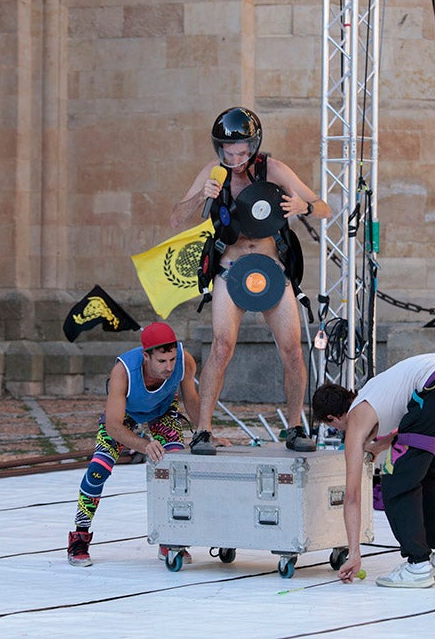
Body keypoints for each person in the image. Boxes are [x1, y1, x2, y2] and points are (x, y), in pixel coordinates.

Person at [170, 106, 331, 455]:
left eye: (242, 151)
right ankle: (203, 431)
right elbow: (176, 218)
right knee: (221, 347)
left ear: (254, 146)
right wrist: (202, 196)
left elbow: (323, 207)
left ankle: (293, 428)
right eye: (229, 152)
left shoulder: (273, 169)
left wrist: (302, 207)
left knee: (292, 350)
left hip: (271, 269)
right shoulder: (213, 173)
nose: (235, 159)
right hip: (230, 271)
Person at [311, 351, 435, 588]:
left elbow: (351, 496)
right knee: (431, 474)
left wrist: (354, 553)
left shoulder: (356, 418)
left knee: (396, 482)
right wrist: (378, 447)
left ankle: (417, 565)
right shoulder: (373, 392)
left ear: (332, 418)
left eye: (334, 427)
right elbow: (411, 425)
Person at [67, 322, 201, 567]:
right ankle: (80, 535)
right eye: (161, 362)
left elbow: (191, 398)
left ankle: (169, 537)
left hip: (162, 411)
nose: (169, 367)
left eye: (172, 359)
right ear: (146, 356)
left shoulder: (185, 361)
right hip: (125, 416)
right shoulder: (123, 371)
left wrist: (205, 430)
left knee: (177, 467)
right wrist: (143, 444)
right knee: (99, 469)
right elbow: (113, 426)